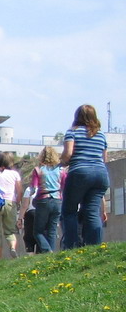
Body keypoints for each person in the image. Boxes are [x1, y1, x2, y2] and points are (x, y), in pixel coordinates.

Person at [60, 104, 109, 248]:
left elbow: (68, 154)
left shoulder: (72, 132)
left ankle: (72, 245)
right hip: (100, 174)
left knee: (69, 210)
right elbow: (104, 159)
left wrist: (61, 161)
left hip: (80, 172)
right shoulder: (101, 135)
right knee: (92, 211)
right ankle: (95, 246)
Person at [25, 146, 66, 253]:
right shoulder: (61, 170)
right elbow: (64, 186)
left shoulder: (38, 170)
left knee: (38, 231)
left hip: (43, 199)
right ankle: (51, 252)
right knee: (52, 230)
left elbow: (33, 188)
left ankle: (47, 251)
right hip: (57, 200)